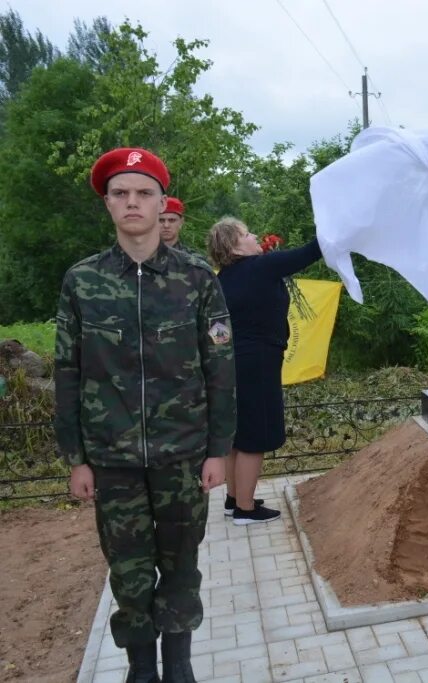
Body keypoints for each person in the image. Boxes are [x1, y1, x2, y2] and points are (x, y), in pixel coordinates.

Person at [55, 147, 235, 683]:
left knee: (181, 564)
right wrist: (76, 458)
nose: (132, 202)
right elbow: (67, 372)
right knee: (128, 573)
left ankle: (178, 666)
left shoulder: (197, 278)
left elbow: (220, 369)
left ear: (162, 205)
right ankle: (141, 668)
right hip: (111, 459)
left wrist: (216, 450)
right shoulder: (82, 281)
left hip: (183, 454)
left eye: (143, 193)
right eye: (120, 194)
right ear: (108, 205)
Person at [207, 217, 323, 525]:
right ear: (234, 246)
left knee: (239, 435)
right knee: (255, 436)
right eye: (247, 233)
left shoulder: (222, 279)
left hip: (234, 363)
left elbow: (215, 329)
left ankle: (234, 500)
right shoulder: (260, 266)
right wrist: (336, 223)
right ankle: (246, 509)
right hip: (258, 361)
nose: (255, 235)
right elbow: (312, 251)